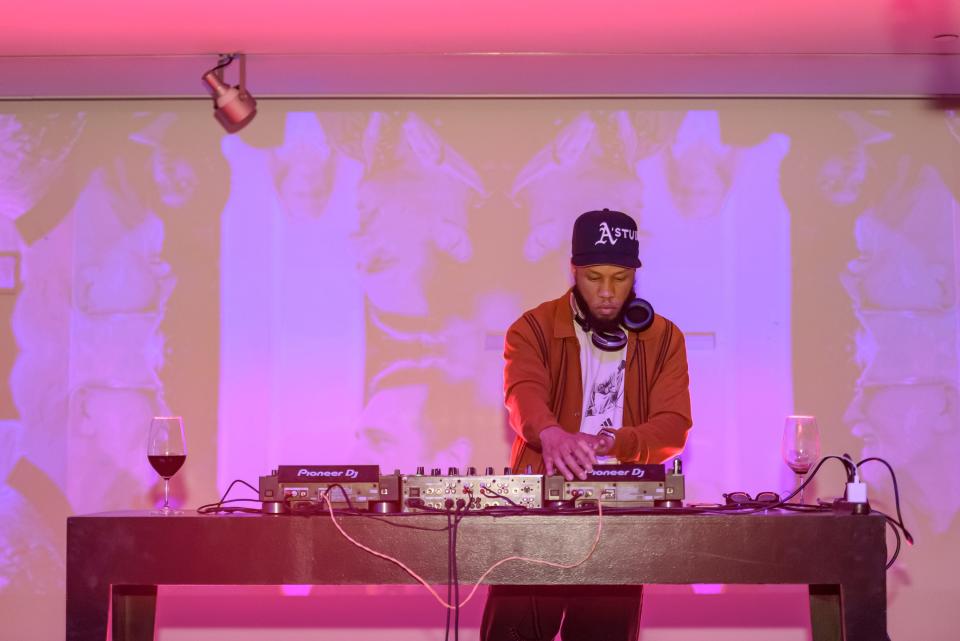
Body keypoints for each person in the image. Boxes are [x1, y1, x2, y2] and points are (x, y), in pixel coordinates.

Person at [481, 208, 693, 641]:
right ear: (574, 271)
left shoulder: (665, 339)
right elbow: (522, 393)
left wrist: (613, 442)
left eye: (621, 277)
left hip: (619, 523)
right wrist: (552, 435)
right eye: (595, 277)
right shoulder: (532, 329)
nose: (608, 292)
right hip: (537, 519)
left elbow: (673, 426)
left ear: (636, 275)